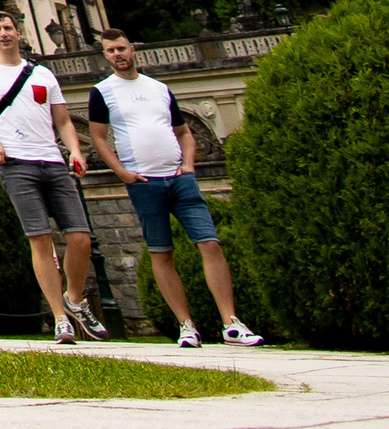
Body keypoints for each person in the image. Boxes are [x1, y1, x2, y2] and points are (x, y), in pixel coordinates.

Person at [87, 29, 266, 348]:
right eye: (110, 51)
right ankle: (186, 326)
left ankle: (231, 323)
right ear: (105, 56)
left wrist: (188, 166)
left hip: (179, 179)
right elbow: (98, 137)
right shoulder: (102, 92)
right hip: (143, 182)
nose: (117, 54)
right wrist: (122, 173)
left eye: (121, 49)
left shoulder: (158, 88)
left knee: (210, 244)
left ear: (133, 49)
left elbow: (184, 132)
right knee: (161, 252)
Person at [0, 11, 103, 345]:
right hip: (16, 163)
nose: (3, 33)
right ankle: (59, 318)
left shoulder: (42, 74)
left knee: (81, 237)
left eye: (8, 28)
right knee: (40, 239)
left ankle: (73, 297)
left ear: (19, 33)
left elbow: (64, 121)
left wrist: (75, 150)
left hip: (52, 161)